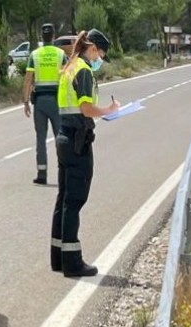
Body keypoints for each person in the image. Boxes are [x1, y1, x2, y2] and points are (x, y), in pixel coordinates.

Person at [51, 29, 119, 278]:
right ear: (93, 49)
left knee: (63, 198)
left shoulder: (70, 67)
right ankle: (73, 262)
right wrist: (110, 110)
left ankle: (58, 257)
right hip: (78, 141)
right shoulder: (84, 70)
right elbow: (86, 108)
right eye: (101, 53)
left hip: (64, 137)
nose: (101, 58)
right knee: (75, 200)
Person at [23, 23, 67, 184]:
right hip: (57, 101)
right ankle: (64, 173)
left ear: (42, 36)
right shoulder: (61, 54)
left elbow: (28, 79)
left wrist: (26, 101)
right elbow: (67, 77)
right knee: (60, 137)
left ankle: (42, 174)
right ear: (54, 36)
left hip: (40, 102)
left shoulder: (35, 55)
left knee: (40, 138)